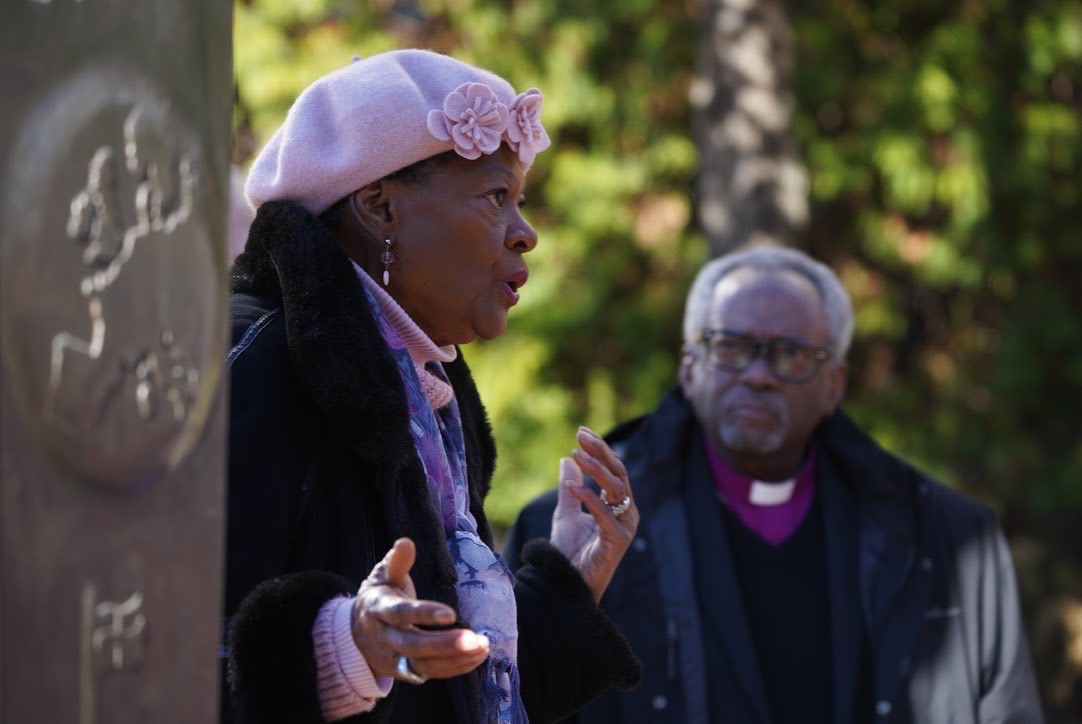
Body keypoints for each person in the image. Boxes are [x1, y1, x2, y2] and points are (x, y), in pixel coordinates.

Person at [223, 49, 643, 724]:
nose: (527, 234)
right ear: (379, 208)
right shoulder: (256, 363)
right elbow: (161, 657)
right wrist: (343, 646)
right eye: (496, 197)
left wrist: (569, 578)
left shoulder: (426, 395)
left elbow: (444, 692)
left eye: (521, 201)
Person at [505, 244, 1044, 723]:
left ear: (834, 384)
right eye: (731, 347)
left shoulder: (946, 536)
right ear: (690, 369)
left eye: (790, 354)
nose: (758, 376)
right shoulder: (575, 533)